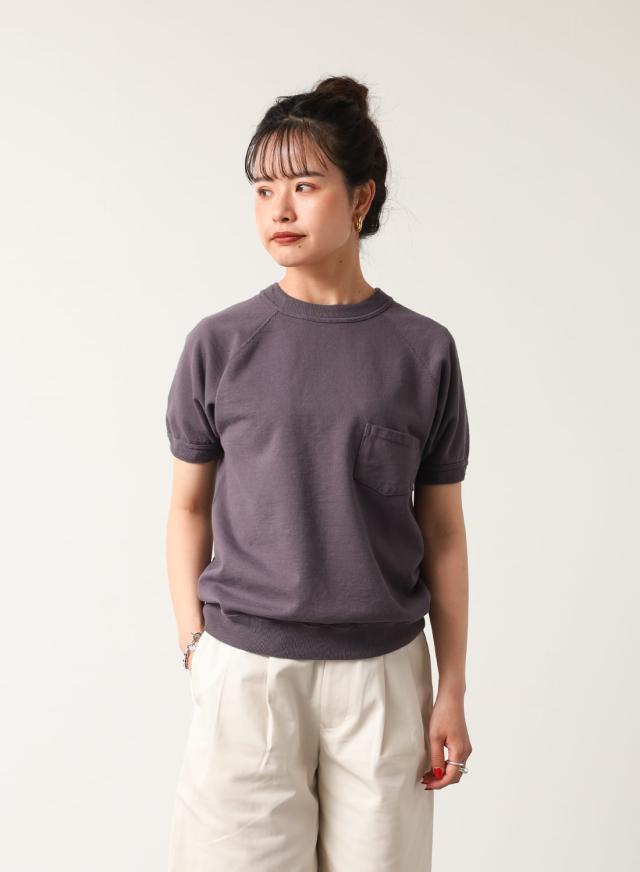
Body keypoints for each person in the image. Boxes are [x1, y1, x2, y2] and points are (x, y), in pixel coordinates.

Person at [165, 74, 473, 871]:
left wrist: (450, 688)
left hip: (383, 678)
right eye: (264, 189)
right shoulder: (220, 344)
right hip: (247, 671)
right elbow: (188, 508)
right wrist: (197, 646)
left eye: (304, 185)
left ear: (361, 198)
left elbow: (442, 532)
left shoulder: (423, 351)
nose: (280, 209)